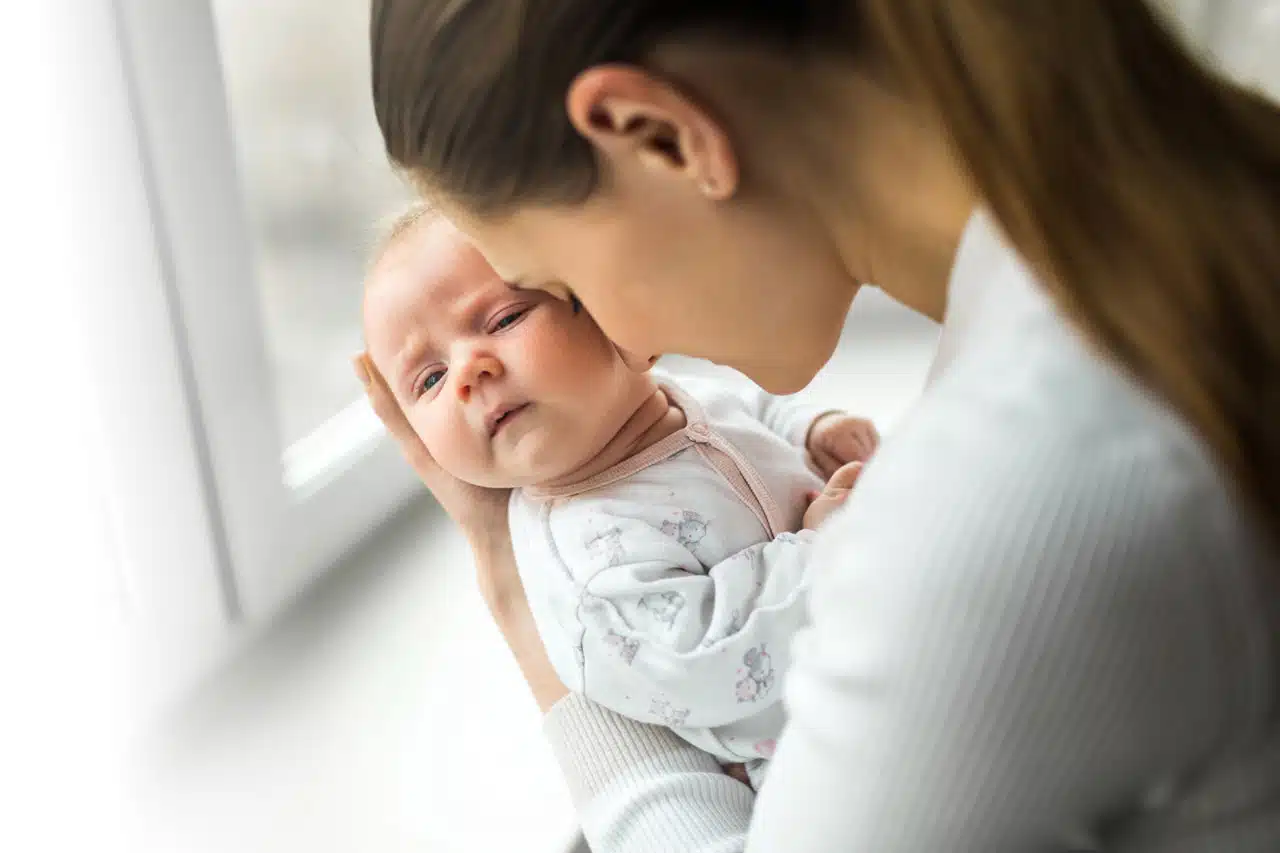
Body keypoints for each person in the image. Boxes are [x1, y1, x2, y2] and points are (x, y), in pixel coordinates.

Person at [357, 1, 1280, 850]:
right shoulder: (1191, 197)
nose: (625, 342)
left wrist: (530, 622)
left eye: (555, 292)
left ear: (659, 136)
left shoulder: (1012, 499)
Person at [363, 203, 877, 789]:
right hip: (827, 751)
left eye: (503, 319)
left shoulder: (672, 400)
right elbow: (713, 659)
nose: (467, 372)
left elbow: (755, 412)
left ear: (599, 301)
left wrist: (812, 428)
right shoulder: (593, 567)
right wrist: (817, 549)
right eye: (429, 380)